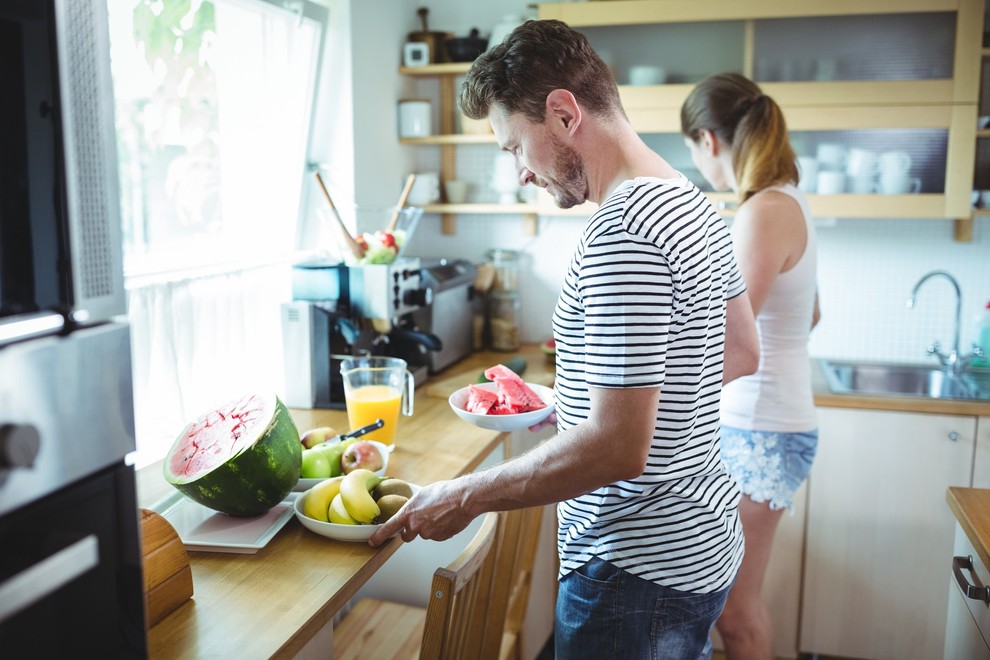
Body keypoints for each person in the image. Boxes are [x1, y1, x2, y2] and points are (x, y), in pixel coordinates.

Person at [370, 20, 760, 659]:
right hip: (699, 547)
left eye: (513, 148)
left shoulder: (623, 234)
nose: (520, 173)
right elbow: (740, 350)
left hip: (632, 568)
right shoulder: (689, 200)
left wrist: (464, 497)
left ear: (562, 112)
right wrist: (599, 393)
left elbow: (616, 447)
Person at [681, 73, 821, 660]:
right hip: (768, 422)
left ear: (709, 141)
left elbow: (728, 339)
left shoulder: (762, 210)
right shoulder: (787, 201)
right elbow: (811, 313)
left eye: (691, 150)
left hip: (760, 430)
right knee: (736, 607)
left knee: (734, 615)